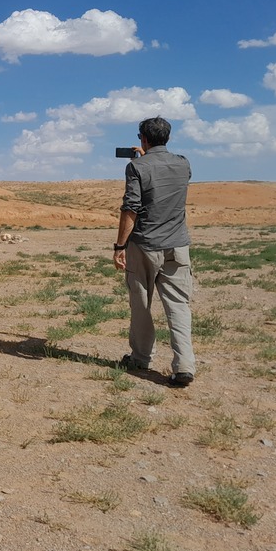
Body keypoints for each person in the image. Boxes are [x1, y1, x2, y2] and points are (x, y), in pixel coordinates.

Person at [113, 116, 196, 387]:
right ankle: (184, 366)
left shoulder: (136, 167)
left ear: (143, 138)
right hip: (178, 245)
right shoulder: (183, 163)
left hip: (145, 245)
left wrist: (119, 246)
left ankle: (141, 357)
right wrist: (147, 157)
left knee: (141, 303)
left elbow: (131, 208)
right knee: (179, 306)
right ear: (168, 138)